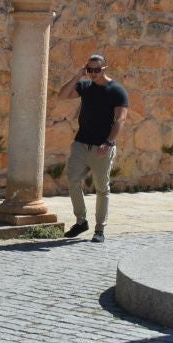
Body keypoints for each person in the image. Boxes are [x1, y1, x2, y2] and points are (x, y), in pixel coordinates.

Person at [56, 53, 128, 243]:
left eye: (96, 70)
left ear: (104, 69)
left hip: (102, 147)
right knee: (72, 180)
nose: (93, 73)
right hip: (81, 144)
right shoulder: (85, 86)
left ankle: (99, 229)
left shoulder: (117, 91)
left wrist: (109, 142)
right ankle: (81, 222)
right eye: (90, 69)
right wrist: (77, 76)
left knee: (102, 189)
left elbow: (120, 119)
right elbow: (62, 95)